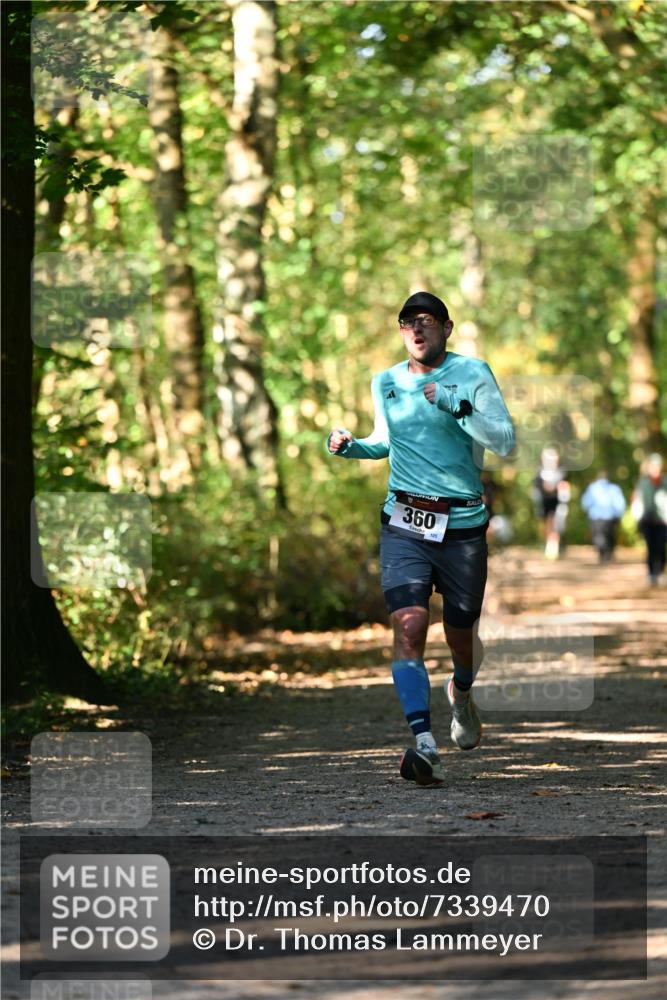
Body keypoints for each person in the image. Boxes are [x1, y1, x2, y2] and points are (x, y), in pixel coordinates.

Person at [326, 291, 515, 786]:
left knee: (460, 632)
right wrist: (352, 449)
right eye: (408, 322)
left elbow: (505, 441)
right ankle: (424, 745)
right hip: (404, 522)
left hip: (462, 526)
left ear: (446, 328)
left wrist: (459, 406)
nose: (416, 329)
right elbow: (386, 441)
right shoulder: (385, 381)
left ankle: (464, 692)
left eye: (426, 321)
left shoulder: (473, 372)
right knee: (409, 625)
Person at [631, 453, 667, 586]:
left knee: (661, 547)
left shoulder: (665, 482)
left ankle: (661, 572)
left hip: (663, 520)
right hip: (647, 520)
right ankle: (651, 573)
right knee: (650, 548)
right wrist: (637, 516)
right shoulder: (643, 483)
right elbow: (637, 500)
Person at [532, 447, 570, 560]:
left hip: (558, 503)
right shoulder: (539, 472)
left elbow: (565, 486)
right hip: (544, 503)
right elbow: (536, 487)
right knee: (547, 524)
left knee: (556, 524)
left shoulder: (561, 472)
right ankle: (549, 546)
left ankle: (554, 548)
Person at [581, 470, 626, 563]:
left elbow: (585, 502)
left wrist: (588, 512)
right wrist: (619, 515)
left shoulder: (592, 488)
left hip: (596, 517)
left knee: (598, 536)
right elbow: (620, 504)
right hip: (609, 518)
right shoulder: (614, 488)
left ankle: (603, 554)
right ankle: (607, 554)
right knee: (609, 536)